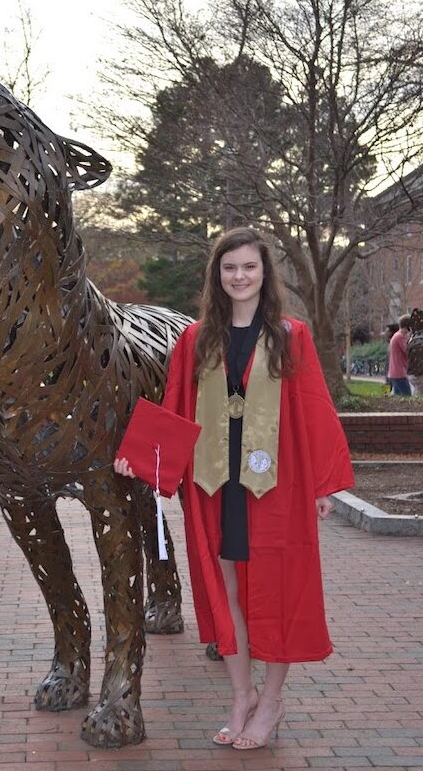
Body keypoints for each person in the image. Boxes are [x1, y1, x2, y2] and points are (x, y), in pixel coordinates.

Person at [114, 227, 354, 750]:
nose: (239, 276)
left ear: (264, 274)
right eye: (229, 268)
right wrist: (143, 459)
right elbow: (175, 404)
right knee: (228, 595)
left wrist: (324, 484)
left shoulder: (291, 336)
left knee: (280, 590)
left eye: (249, 267)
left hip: (277, 486)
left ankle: (271, 700)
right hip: (216, 486)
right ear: (217, 276)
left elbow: (313, 409)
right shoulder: (196, 339)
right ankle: (241, 694)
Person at [387, 314, 412, 396]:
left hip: (395, 373)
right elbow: (408, 351)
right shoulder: (400, 337)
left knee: (398, 399)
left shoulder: (397, 336)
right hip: (399, 373)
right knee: (407, 397)